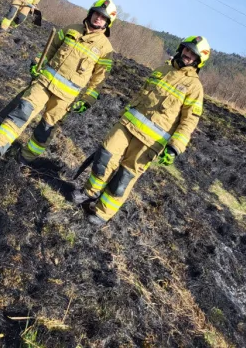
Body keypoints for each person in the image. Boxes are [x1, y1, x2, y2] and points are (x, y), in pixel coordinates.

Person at [72, 35, 211, 226]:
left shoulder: (194, 88)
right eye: (187, 50)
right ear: (181, 49)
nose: (188, 55)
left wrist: (174, 147)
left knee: (125, 176)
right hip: (127, 125)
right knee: (105, 154)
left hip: (150, 141)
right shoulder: (162, 69)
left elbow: (189, 120)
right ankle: (89, 192)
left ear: (198, 61)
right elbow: (141, 94)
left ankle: (103, 212)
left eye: (193, 54)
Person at [0, 0, 118, 163]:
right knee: (23, 110)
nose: (98, 18)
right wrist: (38, 61)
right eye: (97, 13)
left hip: (65, 98)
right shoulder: (71, 29)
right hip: (43, 83)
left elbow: (98, 80)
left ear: (107, 22)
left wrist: (87, 99)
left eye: (103, 17)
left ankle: (24, 159)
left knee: (45, 130)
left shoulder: (106, 49)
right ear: (91, 12)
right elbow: (51, 49)